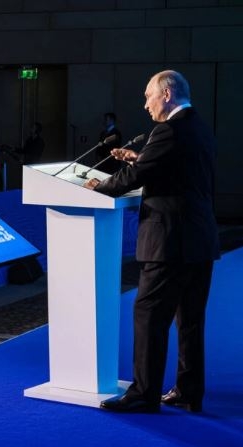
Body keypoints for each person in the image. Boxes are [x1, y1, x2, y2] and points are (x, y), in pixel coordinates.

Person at [84, 70, 219, 413]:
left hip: (169, 242)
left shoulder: (168, 130)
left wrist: (100, 187)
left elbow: (134, 178)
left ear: (167, 95)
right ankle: (189, 391)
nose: (145, 104)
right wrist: (140, 157)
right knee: (189, 320)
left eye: (149, 96)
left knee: (149, 316)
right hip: (199, 240)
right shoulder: (198, 126)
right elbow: (177, 170)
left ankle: (144, 394)